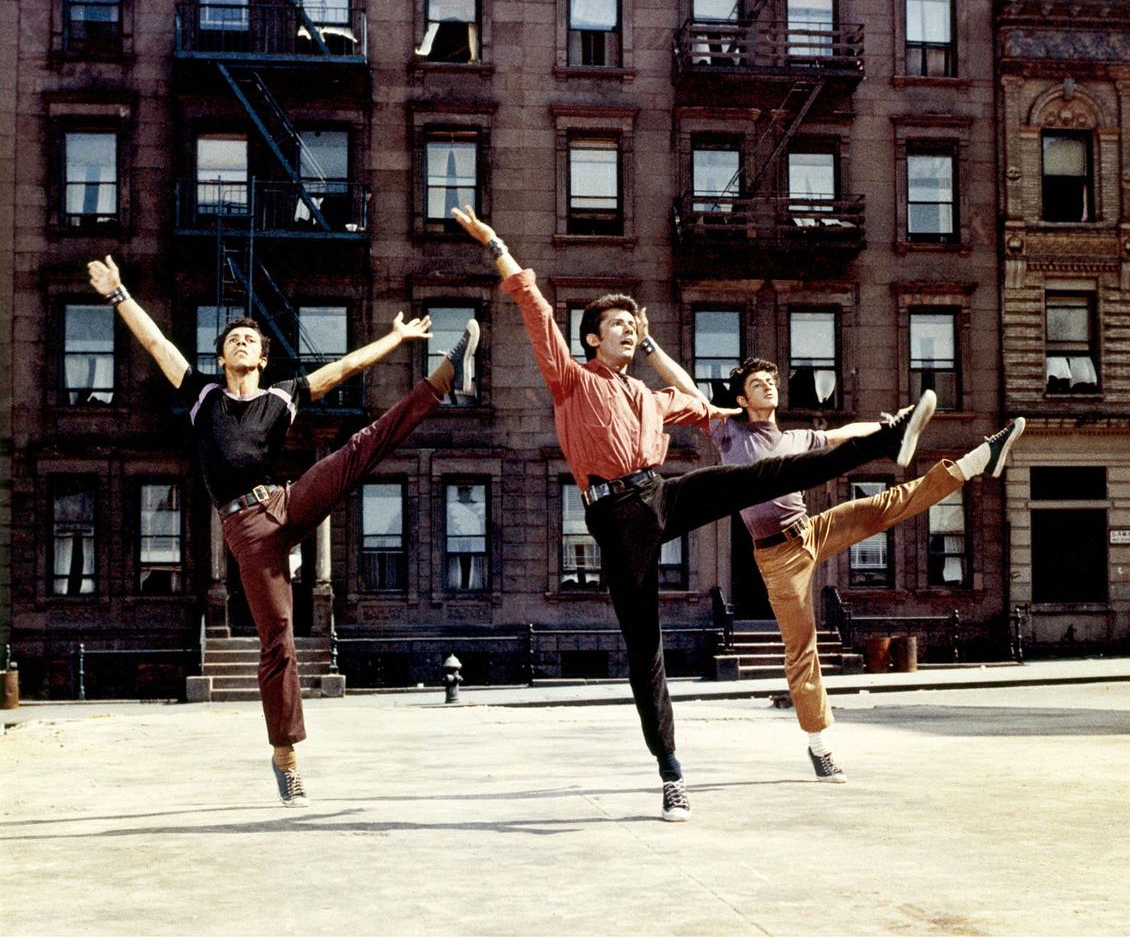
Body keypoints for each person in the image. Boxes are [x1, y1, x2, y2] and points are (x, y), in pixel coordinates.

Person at [449, 205, 935, 821]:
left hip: (661, 496)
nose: (627, 331)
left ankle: (886, 440)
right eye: (617, 325)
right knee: (643, 645)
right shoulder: (571, 380)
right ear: (592, 338)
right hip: (616, 519)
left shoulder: (652, 399)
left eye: (633, 324)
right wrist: (495, 242)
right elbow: (534, 306)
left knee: (760, 472)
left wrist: (713, 391)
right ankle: (671, 771)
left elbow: (704, 407)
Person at [86, 254, 479, 806]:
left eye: (252, 339)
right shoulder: (202, 396)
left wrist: (395, 339)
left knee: (358, 449)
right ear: (221, 356)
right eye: (234, 339)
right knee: (279, 644)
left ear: (264, 358)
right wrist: (118, 293)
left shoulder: (282, 396)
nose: (243, 343)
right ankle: (286, 757)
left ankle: (439, 380)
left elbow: (341, 370)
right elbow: (156, 345)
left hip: (285, 501)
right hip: (247, 530)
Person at [646, 350, 1025, 781]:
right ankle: (820, 745)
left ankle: (974, 463)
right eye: (757, 384)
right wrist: (650, 349)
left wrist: (890, 428)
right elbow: (687, 388)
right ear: (742, 399)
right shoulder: (729, 432)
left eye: (771, 381)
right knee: (802, 647)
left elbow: (845, 434)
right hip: (776, 557)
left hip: (810, 531)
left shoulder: (798, 439)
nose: (769, 386)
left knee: (885, 505)